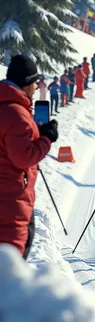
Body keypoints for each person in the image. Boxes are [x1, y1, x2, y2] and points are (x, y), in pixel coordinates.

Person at [0, 54, 58, 258]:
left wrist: (37, 135)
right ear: (25, 83)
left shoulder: (7, 107)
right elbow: (23, 157)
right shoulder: (15, 113)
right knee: (10, 267)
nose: (36, 87)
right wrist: (47, 138)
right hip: (9, 201)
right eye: (34, 82)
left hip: (9, 196)